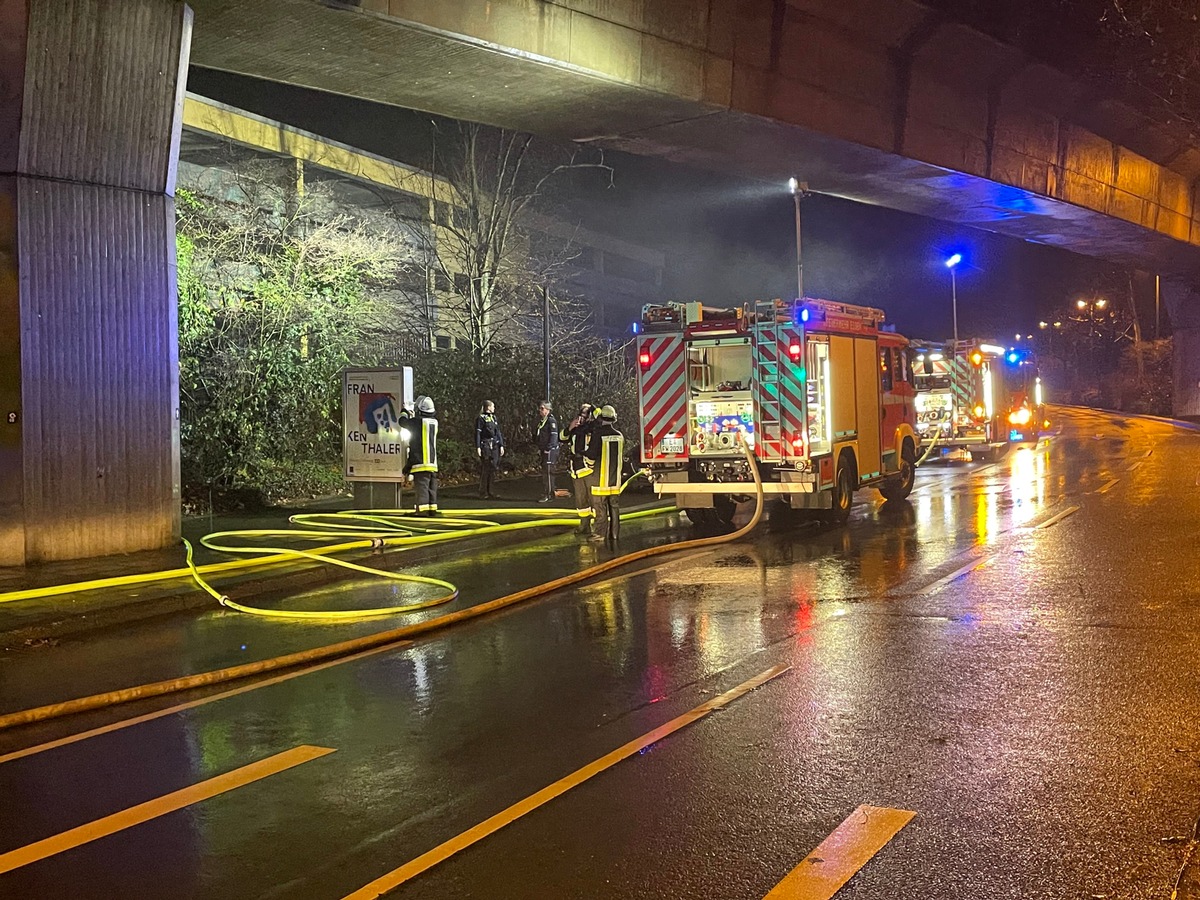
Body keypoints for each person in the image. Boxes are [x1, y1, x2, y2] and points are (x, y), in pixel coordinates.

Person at [585, 405, 624, 544]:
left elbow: (591, 455)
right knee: (614, 507)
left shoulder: (598, 435)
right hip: (615, 481)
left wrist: (588, 465)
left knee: (599, 507)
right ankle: (614, 534)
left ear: (601, 418)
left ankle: (599, 534)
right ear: (614, 419)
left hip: (599, 480)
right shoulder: (619, 436)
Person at [399, 395, 439, 516]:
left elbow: (403, 422)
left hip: (420, 461)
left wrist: (404, 411)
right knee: (432, 488)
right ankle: (432, 510)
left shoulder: (417, 422)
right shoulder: (434, 422)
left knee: (422, 488)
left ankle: (421, 512)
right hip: (432, 462)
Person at [561, 402, 597, 534]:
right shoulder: (575, 429)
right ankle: (584, 525)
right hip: (576, 469)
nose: (581, 418)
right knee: (581, 500)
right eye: (580, 415)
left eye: (585, 415)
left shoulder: (593, 429)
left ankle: (597, 526)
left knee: (594, 500)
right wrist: (570, 428)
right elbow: (562, 437)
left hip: (589, 469)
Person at [474, 400, 505, 499]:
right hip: (486, 444)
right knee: (486, 467)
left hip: (494, 445)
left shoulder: (494, 418)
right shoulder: (481, 418)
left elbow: (498, 432)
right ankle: (483, 492)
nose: (494, 408)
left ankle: (491, 491)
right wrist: (478, 446)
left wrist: (501, 445)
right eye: (493, 406)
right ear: (488, 407)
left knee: (493, 467)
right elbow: (478, 433)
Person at [534, 399, 560, 503]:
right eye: (540, 408)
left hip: (549, 451)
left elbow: (554, 436)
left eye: (542, 408)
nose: (540, 410)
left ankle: (549, 494)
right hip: (544, 449)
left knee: (548, 472)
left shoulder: (551, 421)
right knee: (546, 471)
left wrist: (549, 448)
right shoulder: (542, 421)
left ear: (548, 410)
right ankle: (549, 492)